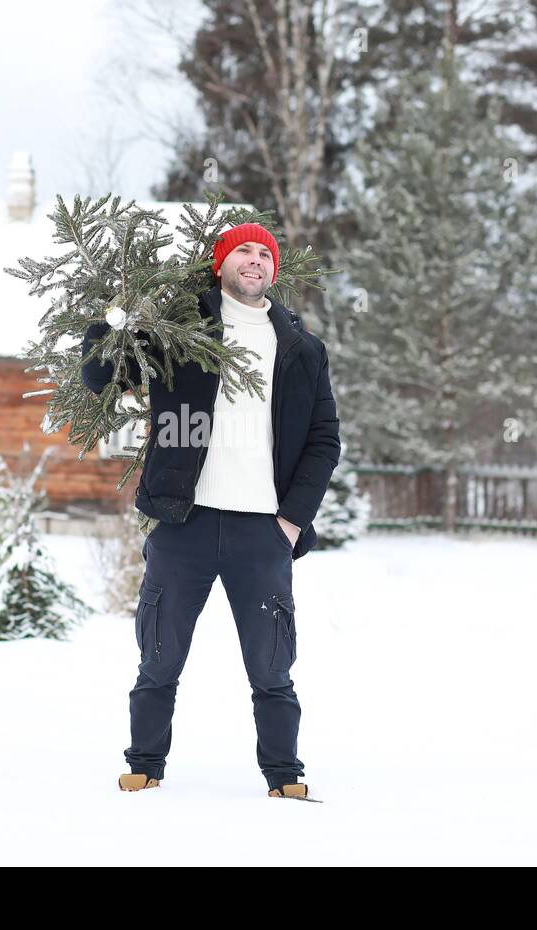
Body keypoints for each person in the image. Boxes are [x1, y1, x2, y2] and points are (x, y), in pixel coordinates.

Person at [80, 222, 341, 800]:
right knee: (159, 654)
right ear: (220, 264)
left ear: (274, 269)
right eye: (242, 250)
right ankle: (144, 765)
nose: (255, 260)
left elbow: (325, 439)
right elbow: (101, 376)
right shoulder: (180, 334)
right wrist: (114, 314)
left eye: (264, 253)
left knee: (272, 664)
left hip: (264, 530)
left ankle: (284, 776)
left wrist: (291, 520)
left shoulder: (302, 349)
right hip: (184, 522)